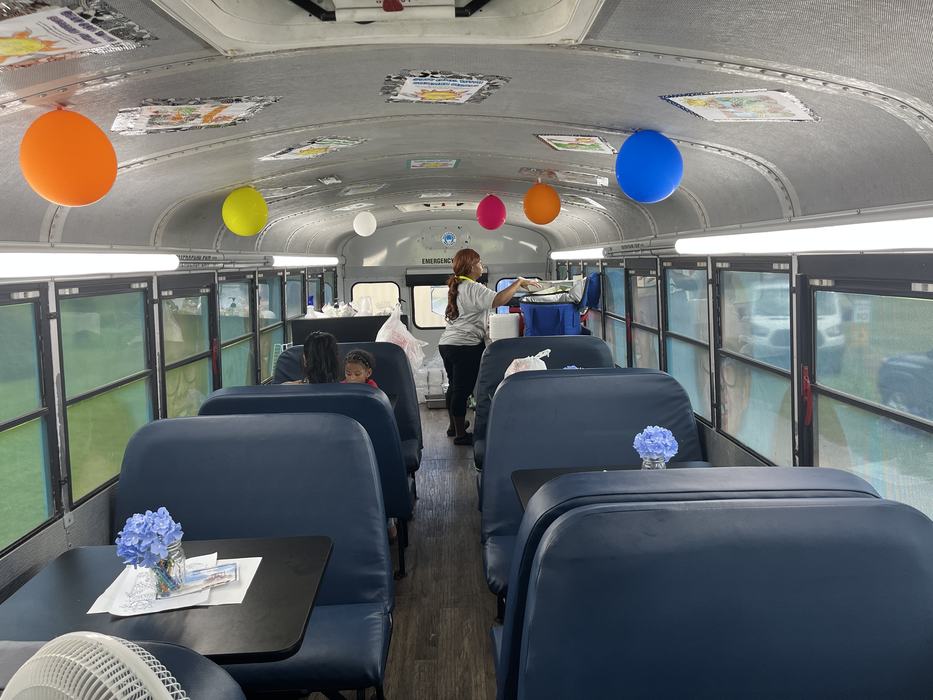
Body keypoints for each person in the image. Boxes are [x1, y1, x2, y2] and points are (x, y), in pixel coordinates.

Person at [439, 248, 533, 445]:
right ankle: (460, 436)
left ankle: (453, 426)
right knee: (462, 390)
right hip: (465, 346)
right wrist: (518, 282)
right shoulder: (473, 287)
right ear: (471, 266)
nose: (482, 266)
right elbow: (498, 299)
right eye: (480, 262)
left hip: (448, 344)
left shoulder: (460, 285)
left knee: (454, 386)